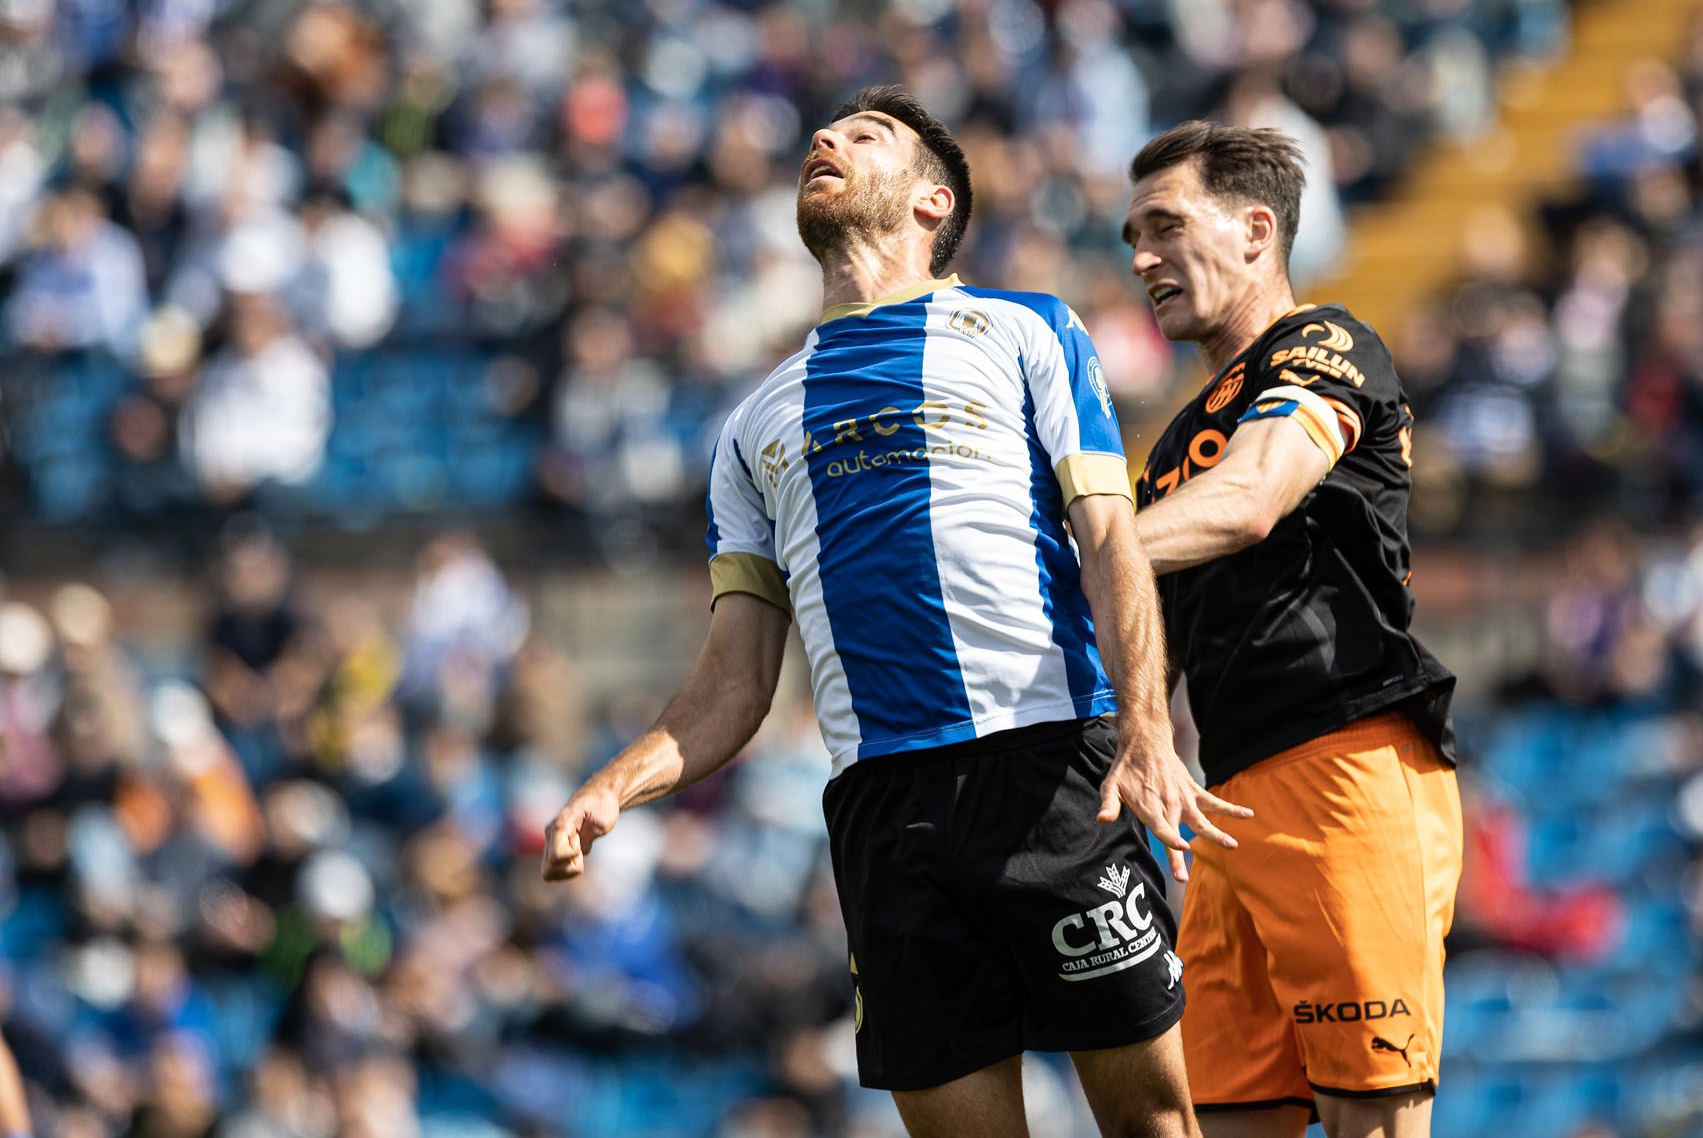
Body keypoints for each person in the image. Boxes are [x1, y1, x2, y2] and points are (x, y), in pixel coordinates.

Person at [544, 86, 1247, 1137]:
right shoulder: (751, 425)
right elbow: (736, 680)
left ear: (931, 202)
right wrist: (619, 783)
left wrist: (1147, 729)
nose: (823, 139)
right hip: (885, 813)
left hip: (1052, 774)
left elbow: (1111, 544)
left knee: (1155, 1125)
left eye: (863, 137)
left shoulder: (1024, 331)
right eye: (822, 134)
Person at [1121, 122, 1461, 1138]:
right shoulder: (1176, 443)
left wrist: (1072, 550)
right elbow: (1149, 641)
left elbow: (1254, 498)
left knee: (1377, 1120)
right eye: (1132, 234)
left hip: (1343, 765)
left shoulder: (1328, 342)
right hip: (1222, 804)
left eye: (1166, 226)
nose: (1142, 258)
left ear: (1257, 230)